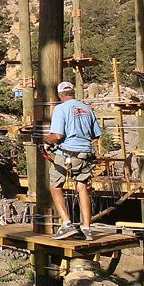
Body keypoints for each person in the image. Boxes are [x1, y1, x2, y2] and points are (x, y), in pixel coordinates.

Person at [44, 81, 103, 241]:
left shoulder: (61, 109)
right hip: (85, 154)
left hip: (67, 154)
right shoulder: (87, 108)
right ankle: (86, 227)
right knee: (82, 187)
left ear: (60, 95)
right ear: (73, 93)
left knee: (55, 186)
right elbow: (96, 134)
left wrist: (46, 140)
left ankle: (67, 223)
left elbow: (57, 136)